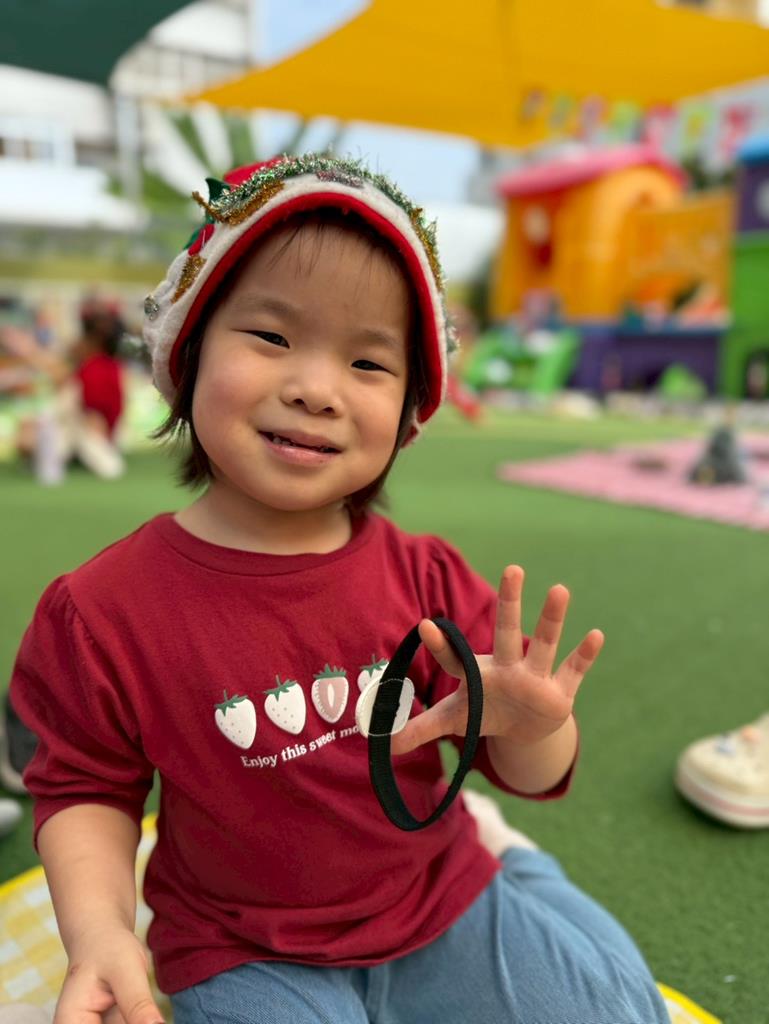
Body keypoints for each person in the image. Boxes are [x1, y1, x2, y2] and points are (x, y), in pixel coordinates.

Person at [9, 154, 669, 1024]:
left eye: (366, 362)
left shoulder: (425, 576)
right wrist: (100, 934)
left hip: (438, 902)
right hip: (243, 945)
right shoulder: (102, 610)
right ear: (188, 350)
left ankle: (515, 865)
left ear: (408, 413)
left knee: (616, 1013)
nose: (316, 390)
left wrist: (534, 728)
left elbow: (526, 768)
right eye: (272, 337)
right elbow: (86, 789)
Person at [0, 299, 125, 480]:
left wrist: (27, 350)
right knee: (40, 435)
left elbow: (94, 415)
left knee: (107, 464)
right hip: (73, 427)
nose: (78, 342)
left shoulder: (97, 367)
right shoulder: (95, 365)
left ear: (92, 341)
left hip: (87, 430)